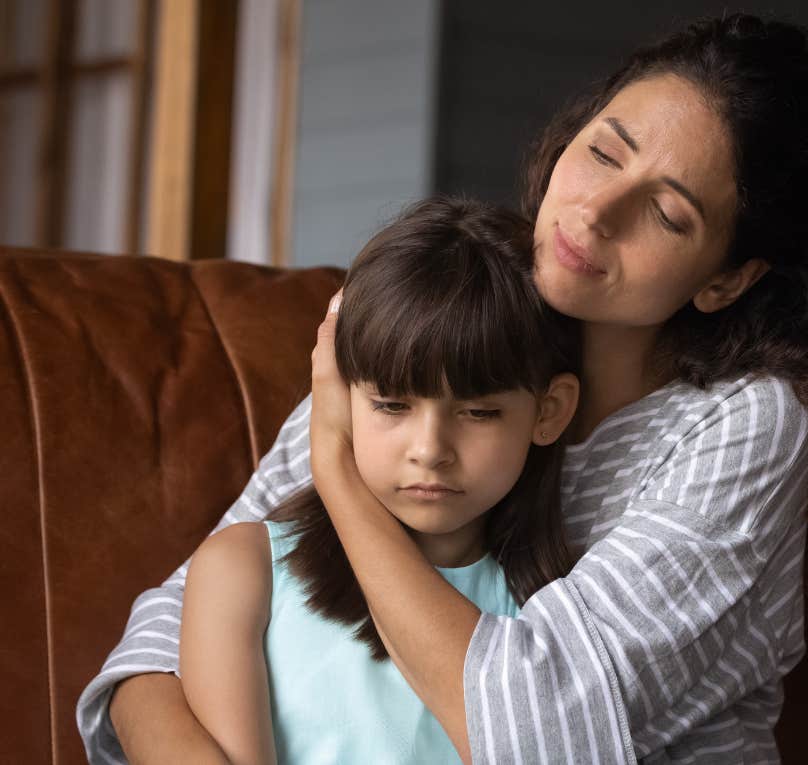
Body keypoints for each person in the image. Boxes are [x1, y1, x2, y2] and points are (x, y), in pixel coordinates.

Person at [78, 13, 808, 764]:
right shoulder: (448, 331)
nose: (593, 214)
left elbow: (536, 731)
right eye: (603, 151)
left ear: (727, 279)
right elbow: (165, 631)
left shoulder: (747, 424)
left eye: (667, 214)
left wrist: (338, 473)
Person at [178, 197, 581, 764]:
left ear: (550, 411)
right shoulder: (244, 572)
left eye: (479, 412)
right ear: (339, 397)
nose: (429, 451)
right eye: (392, 405)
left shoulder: (570, 608)